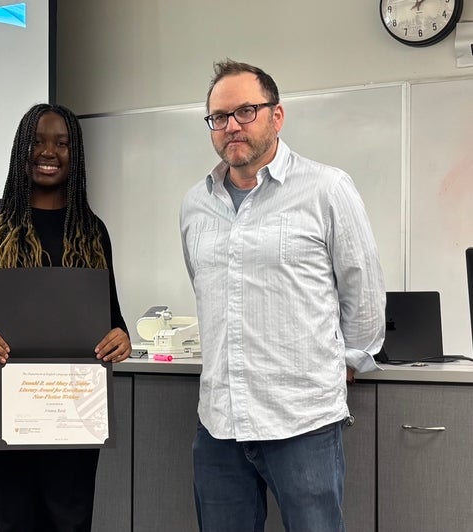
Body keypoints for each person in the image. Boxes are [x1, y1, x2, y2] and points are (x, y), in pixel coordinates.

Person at [180, 60, 386, 532]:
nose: (231, 125)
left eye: (246, 111)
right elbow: (205, 286)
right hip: (219, 425)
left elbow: (365, 292)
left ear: (277, 116)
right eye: (218, 116)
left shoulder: (326, 188)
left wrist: (347, 360)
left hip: (302, 423)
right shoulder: (195, 204)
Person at [0, 103, 131, 531]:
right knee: (2, 519)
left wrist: (119, 337)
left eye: (62, 143)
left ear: (76, 154)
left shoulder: (91, 229)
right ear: (21, 149)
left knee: (67, 518)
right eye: (38, 141)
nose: (49, 152)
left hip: (72, 402)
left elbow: (114, 318)